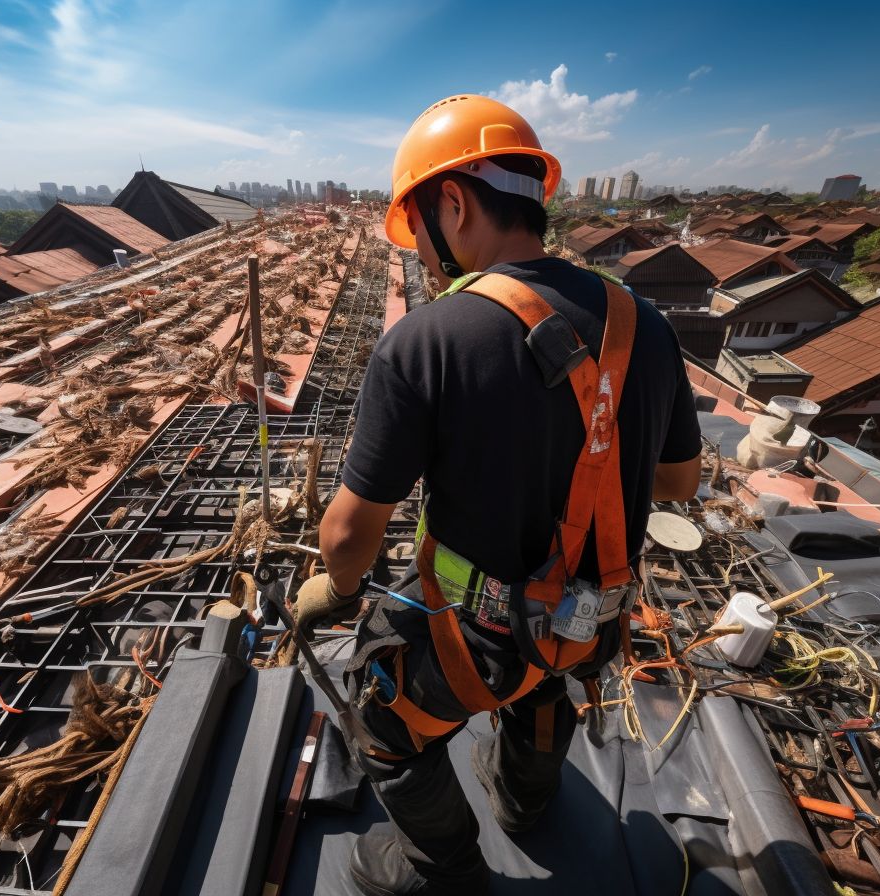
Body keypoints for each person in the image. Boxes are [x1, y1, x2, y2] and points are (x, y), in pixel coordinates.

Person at [292, 94, 703, 895]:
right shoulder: (643, 323)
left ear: (452, 201)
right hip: (592, 622)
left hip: (472, 641)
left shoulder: (426, 341)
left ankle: (441, 869)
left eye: (420, 233)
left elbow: (349, 536)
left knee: (382, 722)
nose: (425, 258)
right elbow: (679, 480)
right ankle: (524, 799)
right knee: (545, 679)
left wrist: (337, 589)